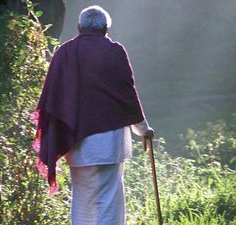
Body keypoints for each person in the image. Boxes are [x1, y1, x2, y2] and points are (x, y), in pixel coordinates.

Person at [31, 5, 153, 225]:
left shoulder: (64, 52)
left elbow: (52, 97)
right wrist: (143, 129)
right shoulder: (115, 51)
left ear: (79, 27)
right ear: (106, 28)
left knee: (83, 201)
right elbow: (127, 94)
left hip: (77, 141)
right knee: (108, 201)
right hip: (109, 144)